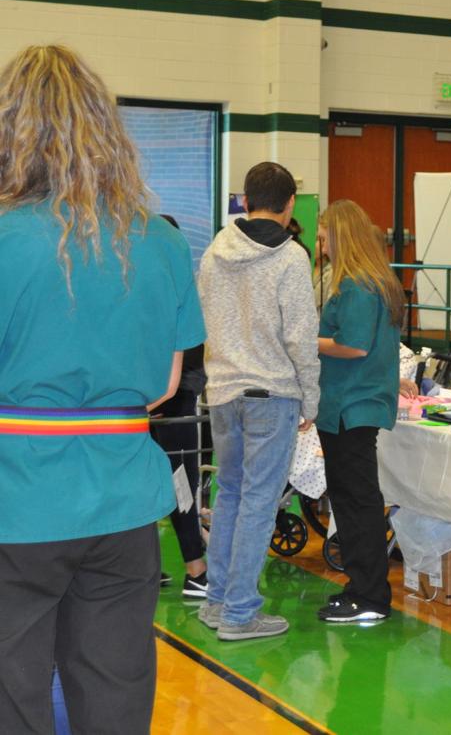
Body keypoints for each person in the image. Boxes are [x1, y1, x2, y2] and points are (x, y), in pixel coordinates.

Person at [0, 45, 205, 732]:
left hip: (16, 500)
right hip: (121, 505)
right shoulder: (161, 241)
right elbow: (165, 387)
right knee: (115, 699)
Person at [196, 162, 320, 641]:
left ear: (245, 202)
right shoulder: (291, 259)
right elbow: (301, 337)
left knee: (229, 493)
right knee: (258, 503)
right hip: (273, 394)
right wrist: (312, 397)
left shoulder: (212, 253)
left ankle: (218, 601)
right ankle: (241, 612)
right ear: (290, 207)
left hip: (223, 392)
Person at [312, 199, 405, 623]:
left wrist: (307, 342)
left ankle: (369, 596)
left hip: (352, 406)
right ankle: (361, 588)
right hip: (351, 406)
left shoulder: (357, 287)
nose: (320, 243)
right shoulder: (371, 283)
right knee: (353, 500)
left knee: (357, 501)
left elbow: (354, 345)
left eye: (325, 235)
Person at [151, 215, 209, 599]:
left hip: (145, 406)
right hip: (172, 407)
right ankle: (196, 572)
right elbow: (190, 353)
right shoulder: (179, 295)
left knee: (157, 488)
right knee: (181, 488)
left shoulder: (140, 292)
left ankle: (150, 569)